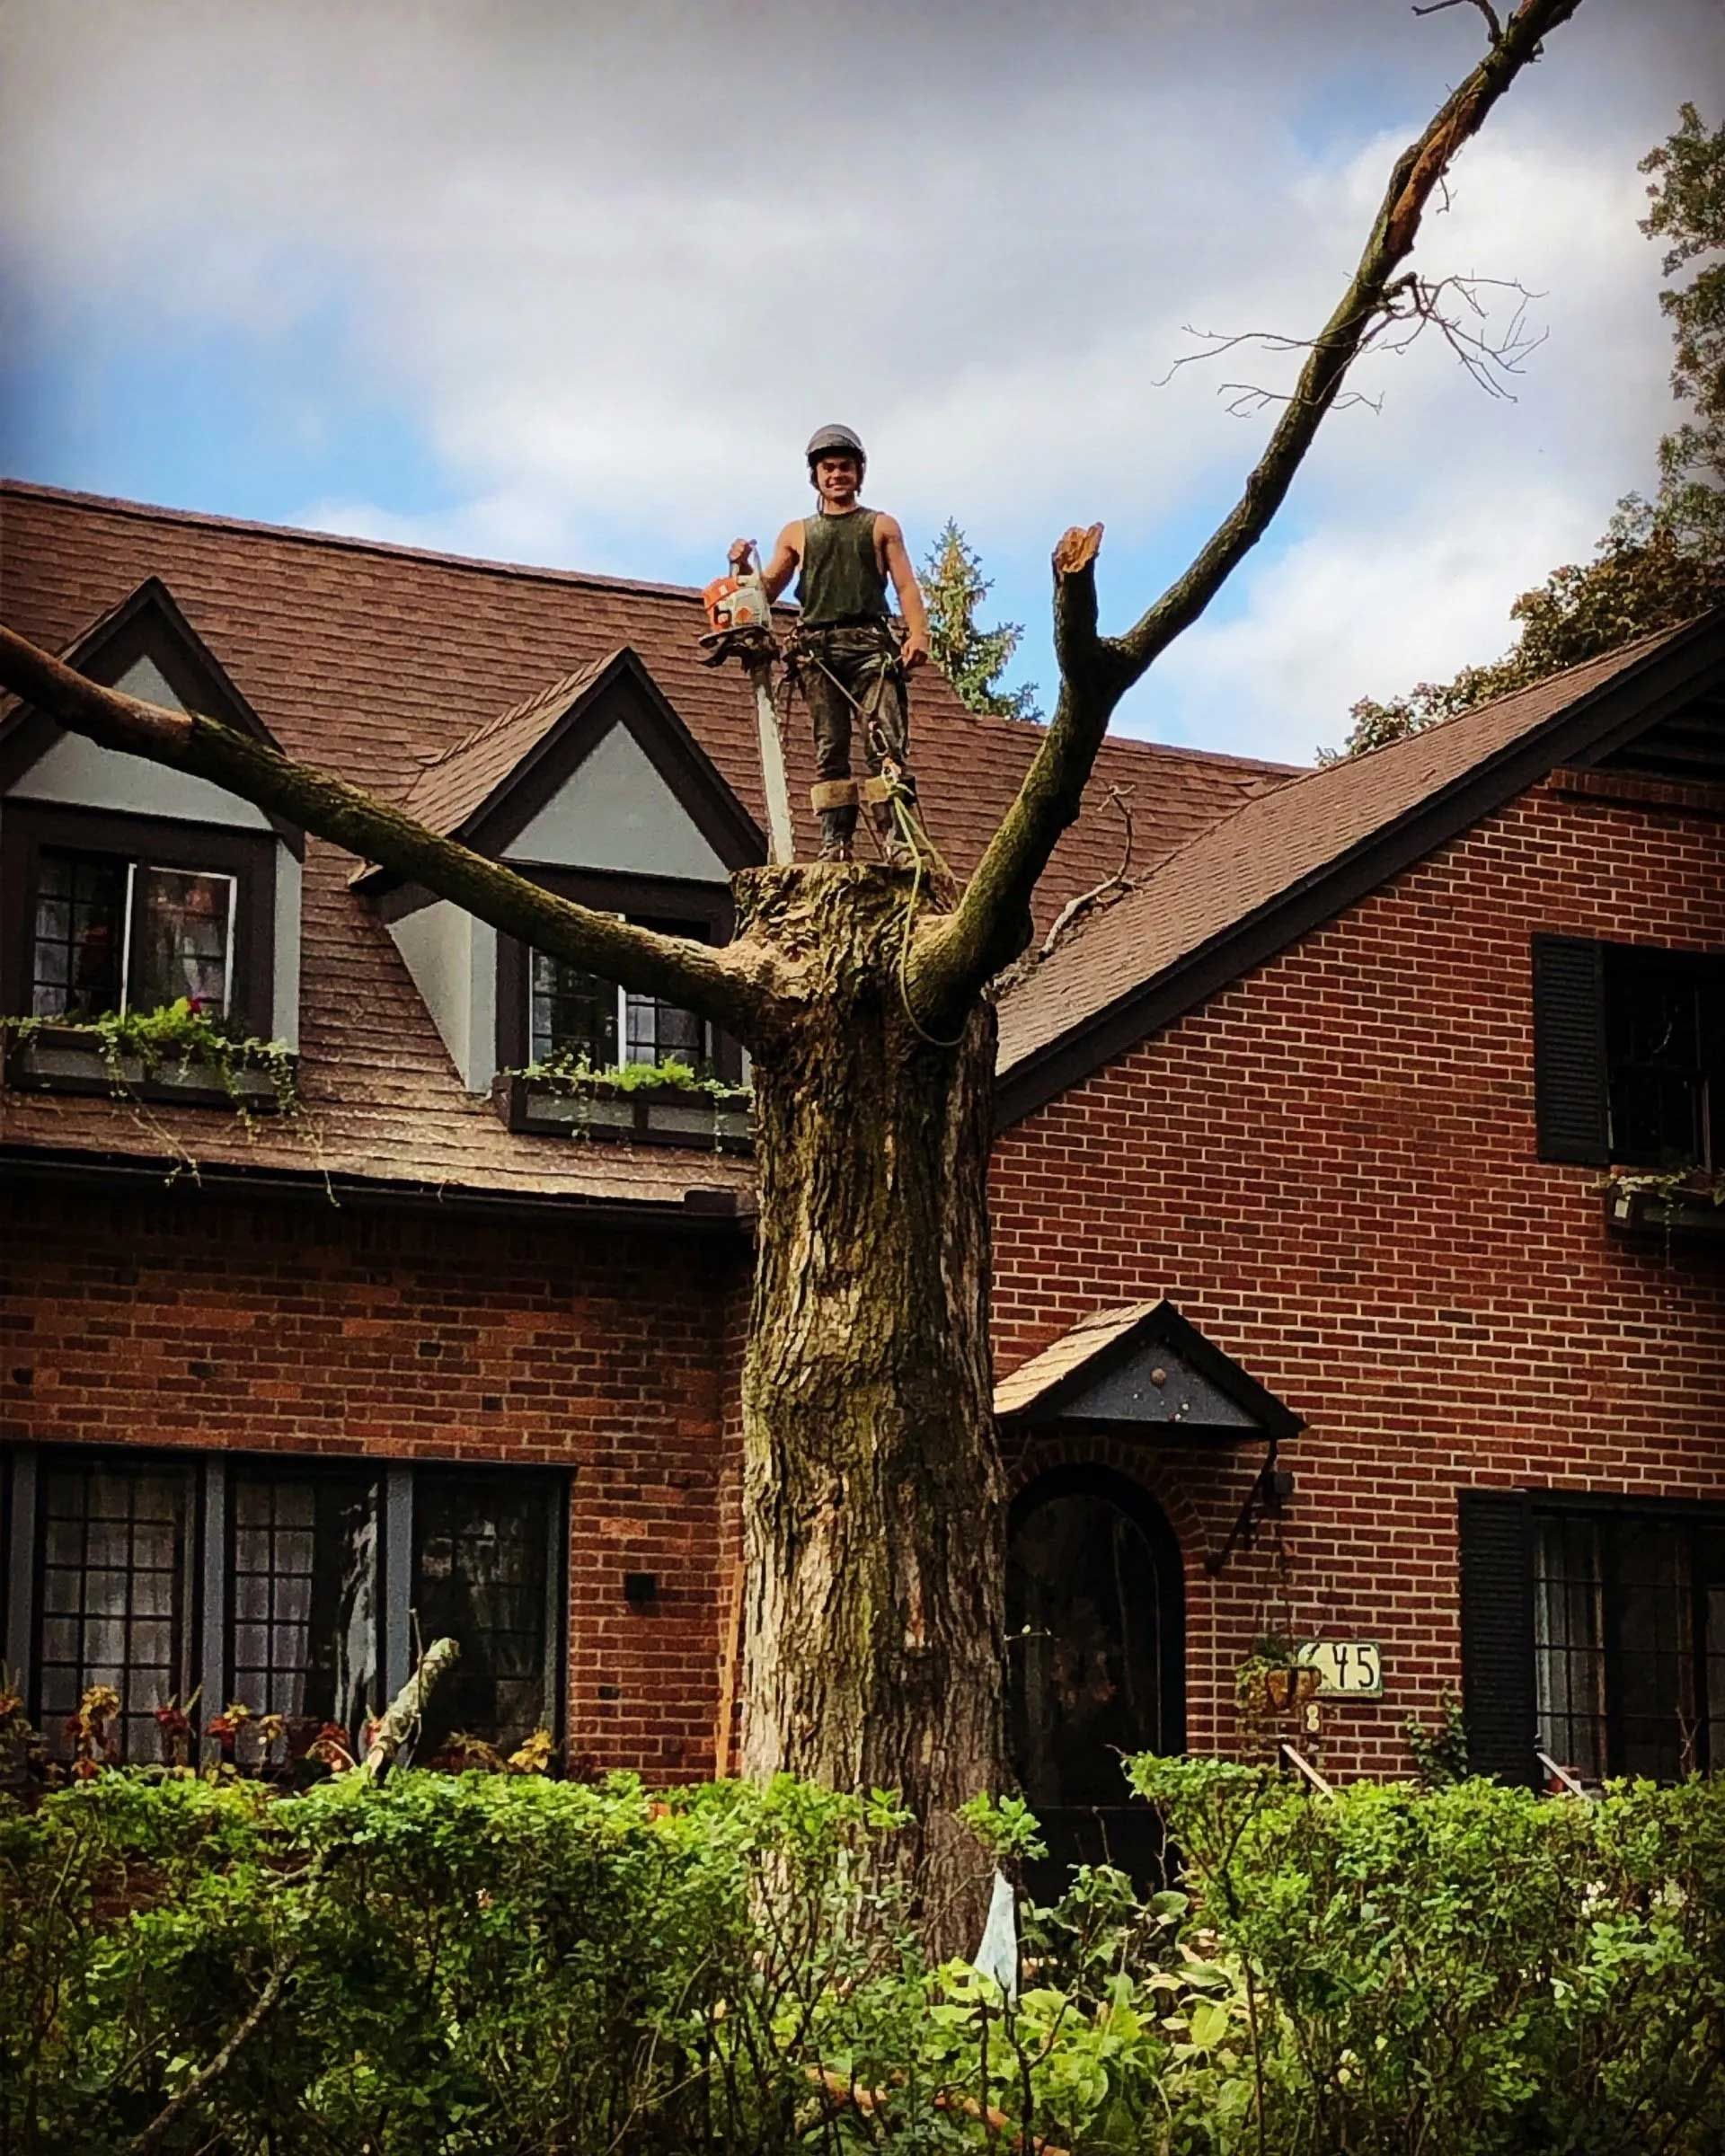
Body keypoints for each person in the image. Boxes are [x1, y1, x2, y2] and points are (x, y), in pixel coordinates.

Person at [730, 424, 930, 862]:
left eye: (844, 467)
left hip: (870, 646)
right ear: (815, 477)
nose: (836, 475)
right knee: (830, 749)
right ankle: (835, 843)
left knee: (885, 744)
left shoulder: (880, 526)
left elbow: (906, 586)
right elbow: (764, 594)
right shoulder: (798, 533)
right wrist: (742, 567)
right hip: (817, 651)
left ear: (859, 473)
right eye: (828, 468)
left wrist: (918, 633)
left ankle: (899, 844)